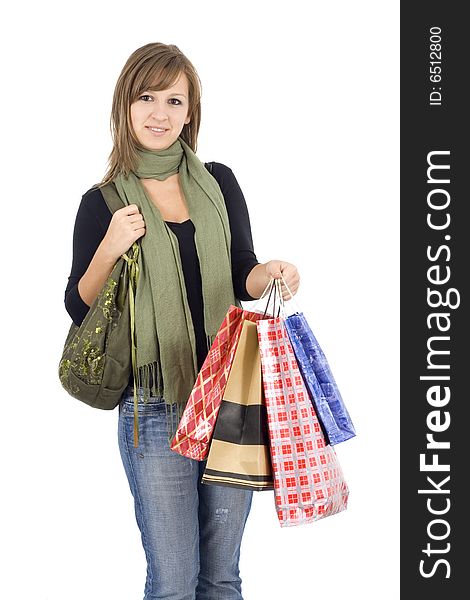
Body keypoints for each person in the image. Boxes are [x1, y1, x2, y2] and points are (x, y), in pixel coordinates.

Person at [64, 42, 300, 600]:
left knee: (221, 577)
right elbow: (79, 307)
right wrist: (111, 245)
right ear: (126, 106)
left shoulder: (218, 183)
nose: (159, 113)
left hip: (229, 397)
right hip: (155, 407)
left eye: (174, 100)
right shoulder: (102, 202)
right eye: (147, 97)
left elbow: (244, 268)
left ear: (190, 111)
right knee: (171, 583)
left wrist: (274, 273)